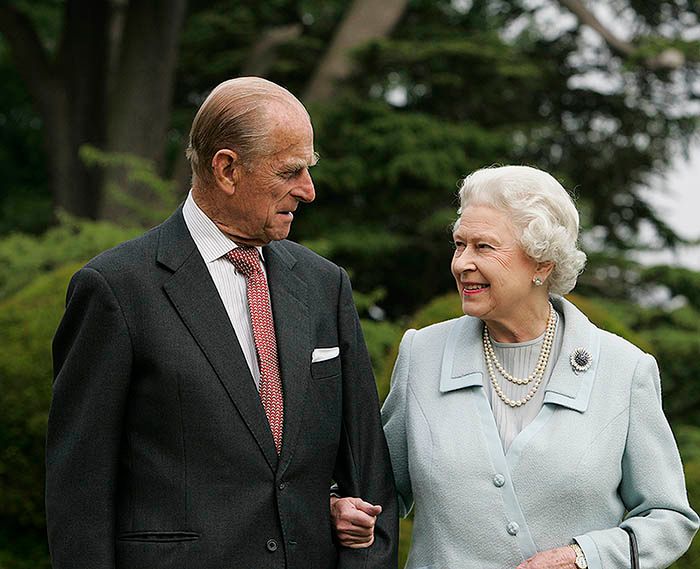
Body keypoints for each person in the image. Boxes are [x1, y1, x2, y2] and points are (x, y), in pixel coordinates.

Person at [46, 77, 398, 569]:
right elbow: (78, 491)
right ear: (227, 169)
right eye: (291, 171)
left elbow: (368, 474)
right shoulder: (115, 289)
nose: (309, 190)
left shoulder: (325, 286)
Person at [331, 165, 698, 568]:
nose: (461, 263)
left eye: (484, 247)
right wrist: (342, 506)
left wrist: (582, 558)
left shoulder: (624, 370)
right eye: (459, 245)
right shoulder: (423, 354)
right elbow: (376, 488)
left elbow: (669, 519)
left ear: (542, 263)